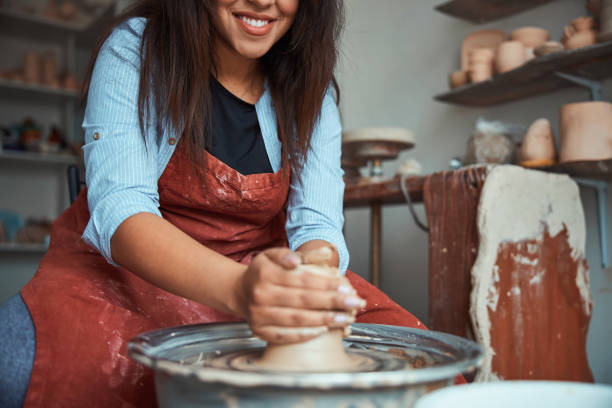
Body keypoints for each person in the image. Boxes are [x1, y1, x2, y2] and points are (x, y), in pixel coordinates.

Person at [0, 1, 432, 406]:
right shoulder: (138, 49)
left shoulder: (308, 89)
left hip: (260, 267)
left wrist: (307, 286)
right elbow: (122, 210)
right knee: (18, 365)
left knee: (425, 365)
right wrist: (241, 291)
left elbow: (317, 225)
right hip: (130, 271)